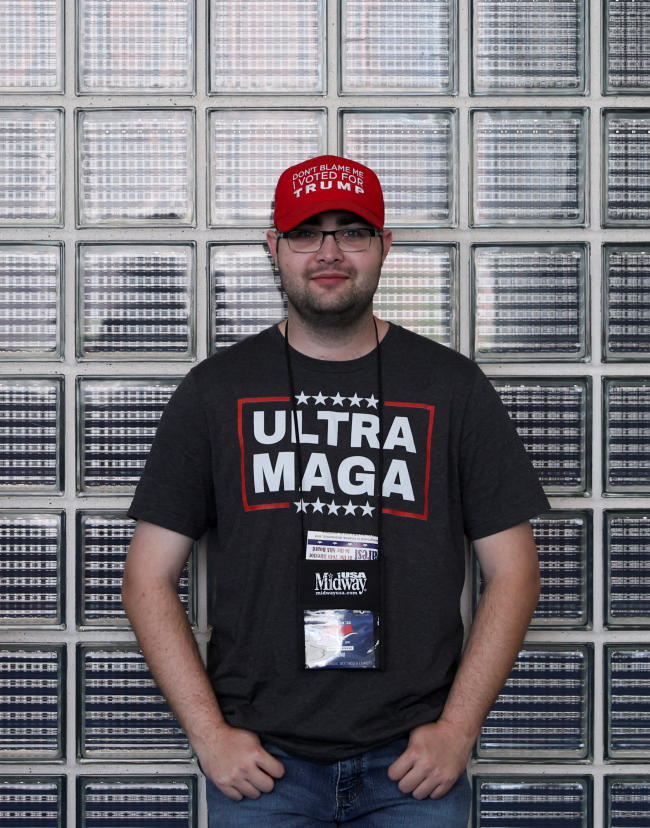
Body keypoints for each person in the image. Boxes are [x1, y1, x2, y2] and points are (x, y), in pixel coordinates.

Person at [122, 155, 545, 826]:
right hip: (264, 770)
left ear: (384, 247)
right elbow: (147, 578)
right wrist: (209, 737)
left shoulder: (450, 388)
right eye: (305, 233)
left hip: (412, 765)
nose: (329, 253)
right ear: (274, 247)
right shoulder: (217, 390)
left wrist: (458, 730)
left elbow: (515, 572)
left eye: (351, 231)